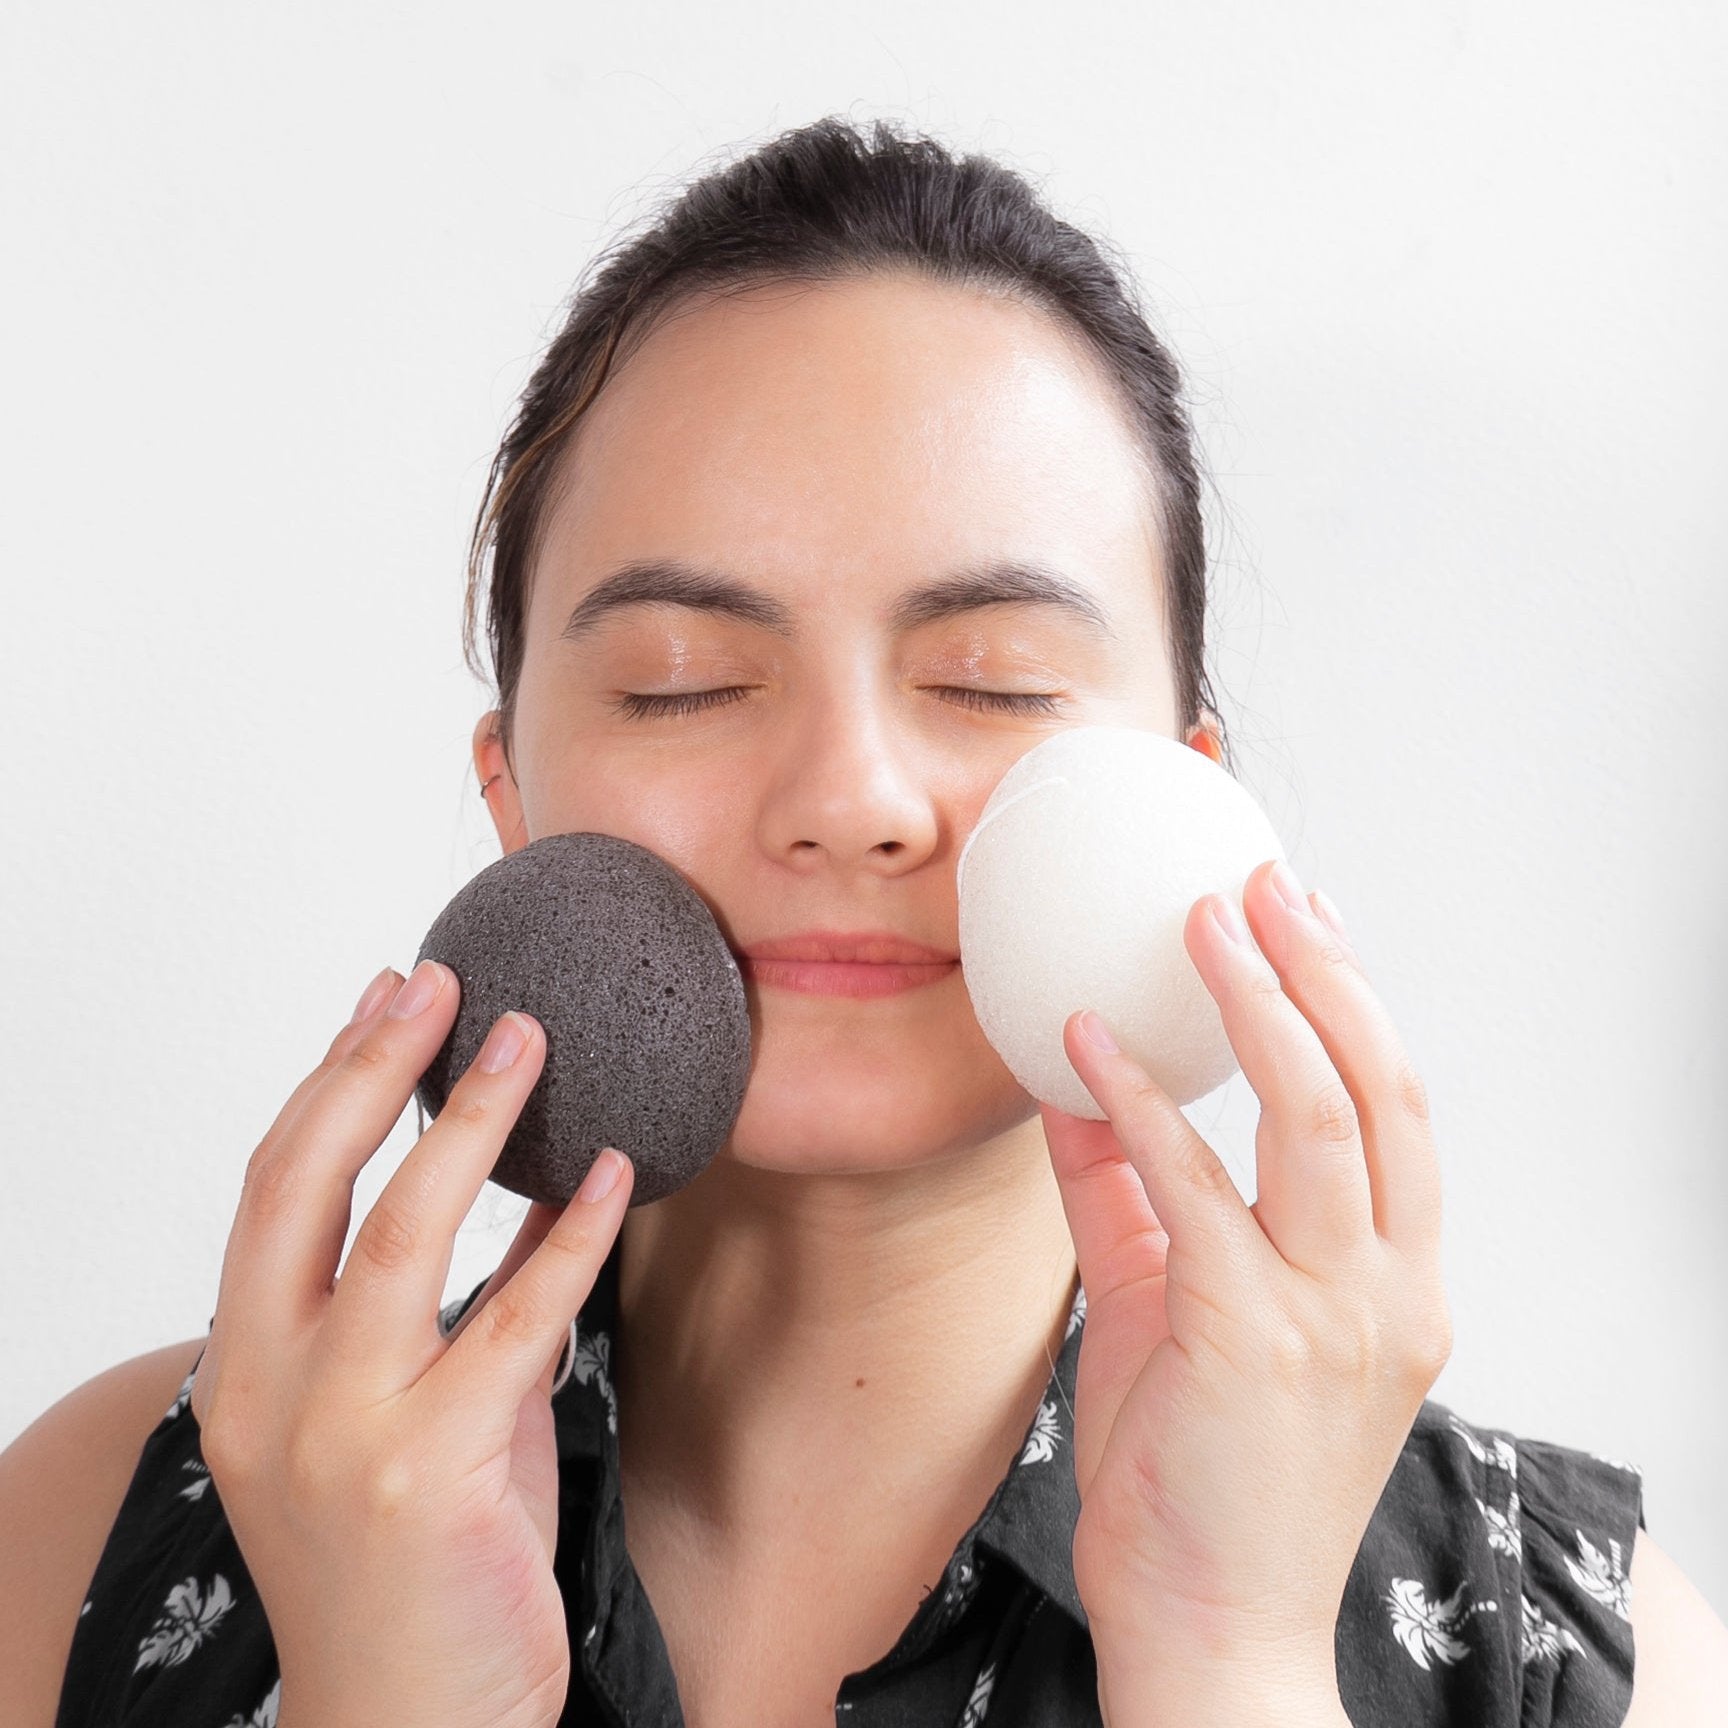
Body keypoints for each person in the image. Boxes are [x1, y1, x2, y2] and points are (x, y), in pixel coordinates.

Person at [12, 115, 1723, 1728]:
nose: (851, 793)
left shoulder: (1567, 1643)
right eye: (687, 682)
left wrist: (1234, 1662)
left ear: (1196, 797)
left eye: (991, 680)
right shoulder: (102, 1522)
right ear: (513, 789)